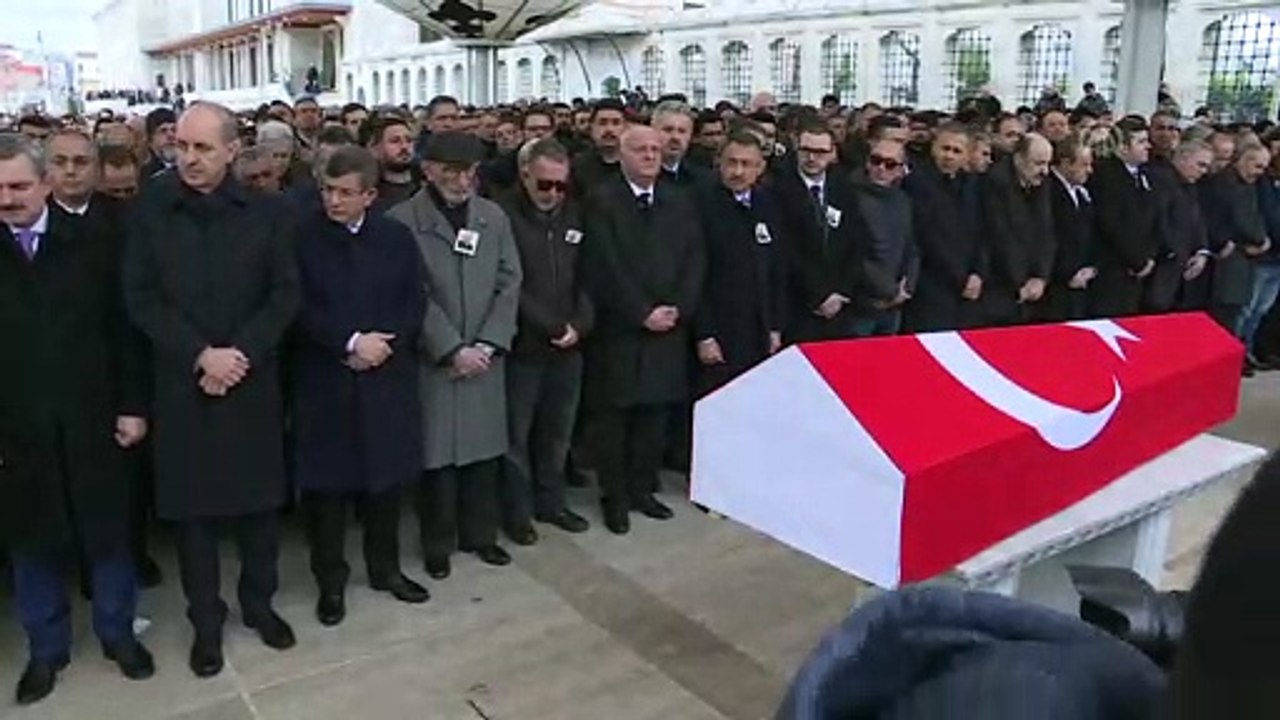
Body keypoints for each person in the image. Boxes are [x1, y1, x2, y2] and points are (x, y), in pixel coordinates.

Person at [123, 102, 301, 679]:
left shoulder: (268, 213)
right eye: (182, 147)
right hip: (184, 382)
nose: (189, 159)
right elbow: (141, 296)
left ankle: (259, 604)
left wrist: (239, 354)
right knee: (194, 516)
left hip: (249, 382)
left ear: (231, 151)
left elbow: (284, 294)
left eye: (203, 149)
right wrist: (201, 354)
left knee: (258, 511)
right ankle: (206, 622)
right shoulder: (151, 208)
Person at [0, 132, 154, 705]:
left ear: (44, 184)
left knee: (107, 534)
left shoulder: (93, 243)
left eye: (18, 185)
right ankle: (46, 651)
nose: (8, 198)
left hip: (94, 419)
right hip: (18, 431)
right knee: (30, 542)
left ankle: (119, 636)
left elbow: (124, 333)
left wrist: (133, 406)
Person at [292, 145, 430, 627]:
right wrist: (348, 341)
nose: (335, 201)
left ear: (370, 195)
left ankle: (385, 569)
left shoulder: (394, 237)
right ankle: (330, 581)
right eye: (328, 190)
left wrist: (385, 344)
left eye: (346, 193)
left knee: (385, 487)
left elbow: (415, 299)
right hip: (327, 379)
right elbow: (296, 305)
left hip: (385, 379)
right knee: (327, 494)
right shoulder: (301, 238)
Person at [386, 131, 522, 580]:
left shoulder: (492, 217)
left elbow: (510, 280)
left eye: (469, 172)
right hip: (437, 362)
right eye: (451, 171)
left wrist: (487, 343)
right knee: (438, 463)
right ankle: (437, 544)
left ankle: (480, 536)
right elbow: (412, 296)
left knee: (483, 458)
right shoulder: (402, 221)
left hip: (485, 358)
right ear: (428, 170)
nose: (462, 180)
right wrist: (451, 348)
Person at [581, 125, 705, 534]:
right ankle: (614, 497)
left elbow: (695, 258)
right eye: (641, 150)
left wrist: (679, 308)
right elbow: (603, 267)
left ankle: (641, 489)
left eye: (655, 149)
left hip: (669, 327)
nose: (651, 156)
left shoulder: (679, 200)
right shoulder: (601, 201)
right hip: (621, 330)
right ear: (622, 153)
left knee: (654, 415)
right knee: (616, 418)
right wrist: (640, 312)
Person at [496, 138, 595, 542]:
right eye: (544, 184)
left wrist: (579, 325)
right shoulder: (501, 215)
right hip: (524, 345)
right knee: (516, 435)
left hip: (570, 346)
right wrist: (550, 326)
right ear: (524, 175)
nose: (552, 194)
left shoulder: (575, 213)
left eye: (560, 185)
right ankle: (516, 512)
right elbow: (508, 283)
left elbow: (589, 275)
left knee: (558, 431)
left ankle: (551, 502)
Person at [694, 131, 787, 392]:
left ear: (760, 168)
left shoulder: (768, 203)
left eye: (746, 164)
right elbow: (694, 275)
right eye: (731, 163)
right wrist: (705, 334)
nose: (738, 171)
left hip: (758, 329)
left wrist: (775, 326)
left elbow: (777, 270)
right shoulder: (700, 204)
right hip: (719, 329)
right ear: (719, 164)